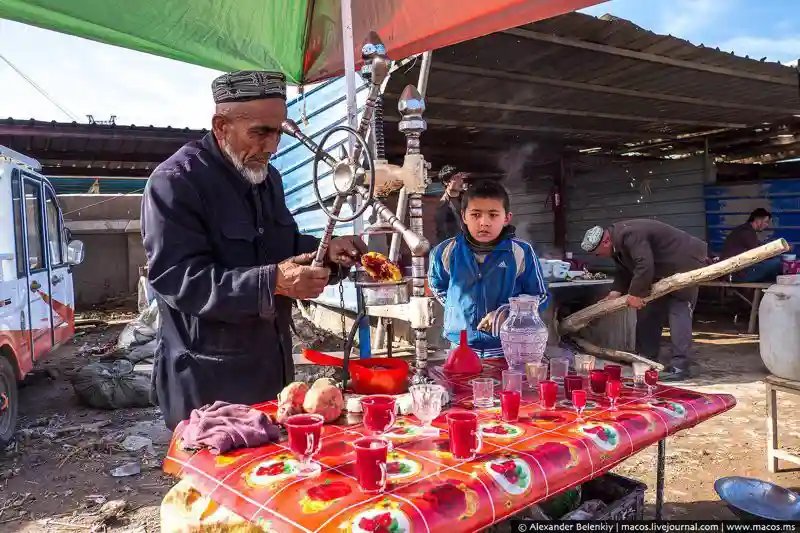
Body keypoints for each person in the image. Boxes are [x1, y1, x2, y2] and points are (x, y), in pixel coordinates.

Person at [141, 70, 365, 429]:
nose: (273, 146)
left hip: (270, 373)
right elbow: (178, 280)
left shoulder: (266, 176)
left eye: (279, 131)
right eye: (260, 132)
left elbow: (283, 249)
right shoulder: (176, 183)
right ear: (221, 125)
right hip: (208, 387)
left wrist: (328, 253)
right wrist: (272, 282)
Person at [428, 179, 549, 357]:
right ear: (464, 216)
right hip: (459, 348)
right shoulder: (445, 251)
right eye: (476, 214)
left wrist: (508, 314)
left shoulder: (520, 252)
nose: (484, 222)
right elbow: (438, 285)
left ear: (506, 218)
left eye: (493, 215)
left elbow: (539, 295)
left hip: (508, 348)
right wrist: (458, 308)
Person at [581, 220, 708, 381]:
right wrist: (615, 292)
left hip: (685, 262)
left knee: (679, 311)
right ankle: (647, 359)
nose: (597, 256)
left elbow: (644, 264)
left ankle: (680, 366)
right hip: (661, 271)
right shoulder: (617, 243)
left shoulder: (630, 235)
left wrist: (634, 294)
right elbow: (624, 269)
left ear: (605, 241)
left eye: (597, 253)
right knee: (649, 312)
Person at [722, 208, 781, 282]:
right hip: (736, 274)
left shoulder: (744, 229)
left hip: (734, 271)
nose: (767, 225)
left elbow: (758, 247)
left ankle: (765, 289)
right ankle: (771, 290)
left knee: (772, 264)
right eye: (766, 222)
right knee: (777, 263)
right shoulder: (747, 232)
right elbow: (760, 254)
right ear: (758, 220)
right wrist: (779, 250)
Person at [434, 165, 467, 245]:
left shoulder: (469, 199)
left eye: (461, 177)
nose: (461, 180)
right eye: (456, 177)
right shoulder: (441, 205)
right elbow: (440, 232)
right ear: (446, 182)